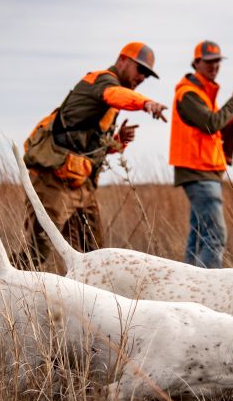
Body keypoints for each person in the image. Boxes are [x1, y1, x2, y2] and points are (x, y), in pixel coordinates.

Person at [15, 42, 167, 269]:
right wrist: (146, 103)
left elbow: (93, 148)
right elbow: (116, 94)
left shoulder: (112, 103)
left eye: (147, 74)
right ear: (123, 60)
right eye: (140, 69)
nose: (142, 77)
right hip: (53, 180)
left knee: (92, 255)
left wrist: (119, 141)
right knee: (38, 251)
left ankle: (84, 303)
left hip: (81, 184)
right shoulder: (102, 81)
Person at [169, 40, 233, 268]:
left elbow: (213, 128)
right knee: (216, 237)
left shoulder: (204, 95)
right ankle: (206, 294)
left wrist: (231, 121)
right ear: (196, 63)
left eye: (217, 62)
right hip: (199, 172)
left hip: (206, 171)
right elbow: (210, 124)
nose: (214, 66)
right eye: (209, 62)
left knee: (199, 238)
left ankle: (185, 292)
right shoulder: (189, 94)